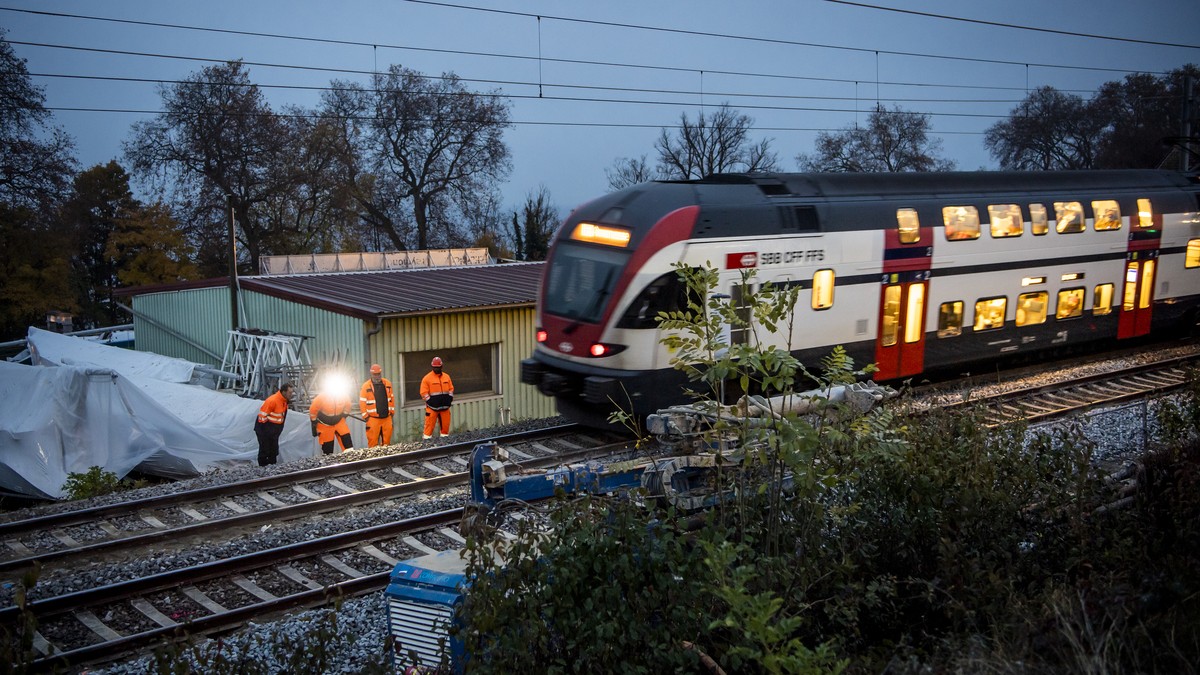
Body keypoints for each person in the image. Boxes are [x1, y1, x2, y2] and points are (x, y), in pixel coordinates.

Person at [255, 383, 295, 467]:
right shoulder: (273, 401)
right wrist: (268, 432)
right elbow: (262, 418)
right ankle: (262, 468)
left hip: (273, 430)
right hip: (265, 430)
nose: (291, 395)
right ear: (284, 392)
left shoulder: (284, 401)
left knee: (273, 451)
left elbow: (281, 417)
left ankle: (272, 467)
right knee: (265, 450)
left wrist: (276, 431)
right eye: (290, 392)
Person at [309, 387, 354, 455]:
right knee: (328, 449)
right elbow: (313, 409)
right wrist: (314, 421)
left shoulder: (344, 395)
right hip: (324, 424)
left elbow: (348, 405)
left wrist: (344, 415)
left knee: (347, 443)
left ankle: (350, 456)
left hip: (339, 422)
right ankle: (329, 459)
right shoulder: (322, 397)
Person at [359, 363, 395, 447]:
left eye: (378, 374)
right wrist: (366, 417)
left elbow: (391, 398)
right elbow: (362, 402)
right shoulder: (365, 386)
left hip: (387, 418)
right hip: (373, 419)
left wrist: (392, 413)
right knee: (373, 444)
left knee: (387, 443)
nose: (377, 376)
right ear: (371, 374)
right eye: (375, 374)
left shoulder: (387, 384)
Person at [420, 356, 454, 440]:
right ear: (432, 367)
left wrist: (449, 399)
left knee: (445, 429)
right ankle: (426, 443)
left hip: (445, 407)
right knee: (428, 429)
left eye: (438, 367)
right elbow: (423, 392)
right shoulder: (427, 378)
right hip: (432, 408)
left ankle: (445, 443)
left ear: (441, 366)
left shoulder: (447, 377)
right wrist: (430, 401)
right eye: (435, 367)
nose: (436, 369)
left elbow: (451, 389)